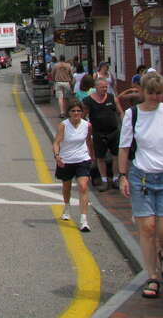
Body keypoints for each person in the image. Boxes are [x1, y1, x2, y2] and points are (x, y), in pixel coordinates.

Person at [118, 72, 163, 299]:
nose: (154, 97)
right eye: (151, 93)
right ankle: (152, 276)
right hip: (141, 177)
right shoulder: (132, 115)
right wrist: (122, 176)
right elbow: (124, 148)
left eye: (158, 93)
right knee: (147, 228)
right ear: (143, 92)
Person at [53, 99, 94, 232]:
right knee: (67, 187)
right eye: (73, 111)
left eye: (78, 111)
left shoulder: (87, 125)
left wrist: (91, 157)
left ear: (82, 112)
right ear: (69, 112)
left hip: (82, 159)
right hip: (66, 160)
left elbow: (88, 142)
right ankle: (67, 207)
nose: (76, 113)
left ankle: (83, 220)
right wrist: (57, 156)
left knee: (83, 186)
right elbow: (57, 142)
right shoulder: (63, 125)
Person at [84, 77, 122, 191]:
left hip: (113, 131)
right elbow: (83, 117)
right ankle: (104, 180)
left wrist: (124, 125)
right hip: (98, 133)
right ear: (96, 88)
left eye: (106, 87)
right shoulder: (88, 101)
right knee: (100, 157)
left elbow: (120, 112)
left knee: (116, 156)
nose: (104, 89)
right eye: (102, 87)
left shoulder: (112, 98)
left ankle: (115, 179)